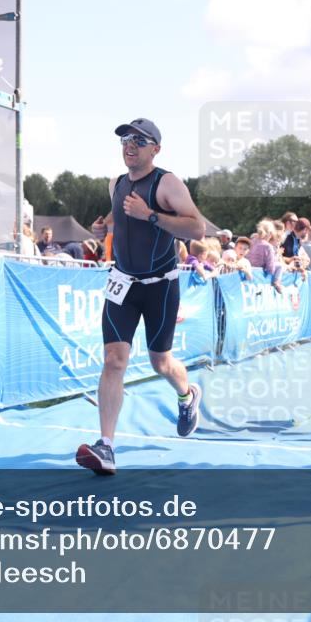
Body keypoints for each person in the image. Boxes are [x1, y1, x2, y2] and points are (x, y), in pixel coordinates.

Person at [78, 118, 206, 476]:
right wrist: (104, 226)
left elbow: (197, 228)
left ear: (155, 149)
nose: (129, 145)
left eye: (138, 140)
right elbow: (119, 210)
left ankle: (187, 395)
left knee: (159, 362)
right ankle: (106, 446)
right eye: (124, 139)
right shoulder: (115, 183)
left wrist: (151, 215)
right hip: (123, 282)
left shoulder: (167, 183)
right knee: (114, 360)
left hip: (161, 286)